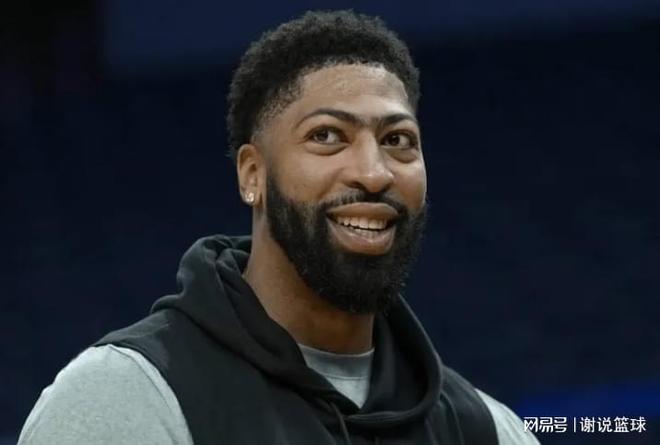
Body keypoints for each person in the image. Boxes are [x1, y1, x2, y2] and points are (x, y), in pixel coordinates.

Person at [19, 10, 540, 445]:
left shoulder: (489, 430)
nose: (374, 173)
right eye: (327, 135)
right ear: (253, 174)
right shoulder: (126, 402)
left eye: (397, 140)